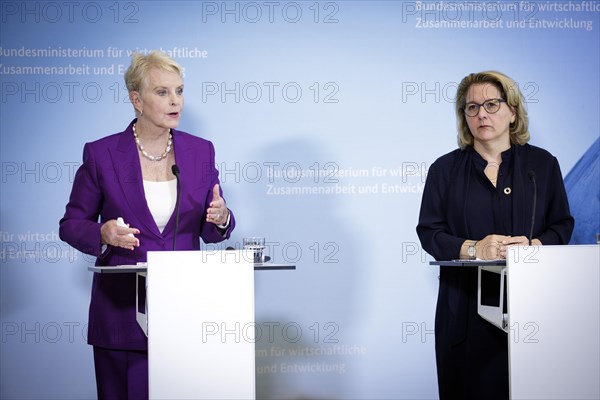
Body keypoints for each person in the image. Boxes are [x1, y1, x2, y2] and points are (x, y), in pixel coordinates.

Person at [59, 50, 235, 399]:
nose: (175, 101)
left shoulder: (202, 152)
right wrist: (102, 233)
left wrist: (222, 217)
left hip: (185, 310)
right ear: (136, 99)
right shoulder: (102, 154)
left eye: (180, 91)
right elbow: (71, 223)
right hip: (121, 318)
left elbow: (211, 229)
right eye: (162, 92)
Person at [416, 70, 573, 399]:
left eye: (491, 104)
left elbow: (562, 225)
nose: (481, 114)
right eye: (471, 108)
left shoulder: (542, 165)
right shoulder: (444, 170)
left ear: (512, 111)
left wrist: (533, 245)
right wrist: (475, 249)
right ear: (464, 117)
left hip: (533, 309)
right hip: (464, 314)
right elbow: (429, 232)